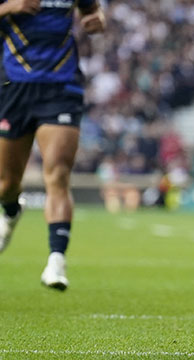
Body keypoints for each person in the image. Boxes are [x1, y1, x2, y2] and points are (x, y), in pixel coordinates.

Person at [0, 0, 106, 290]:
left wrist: (98, 20)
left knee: (58, 173)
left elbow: (92, 11)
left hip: (61, 87)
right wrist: (9, 8)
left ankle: (56, 260)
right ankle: (11, 210)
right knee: (6, 184)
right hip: (13, 86)